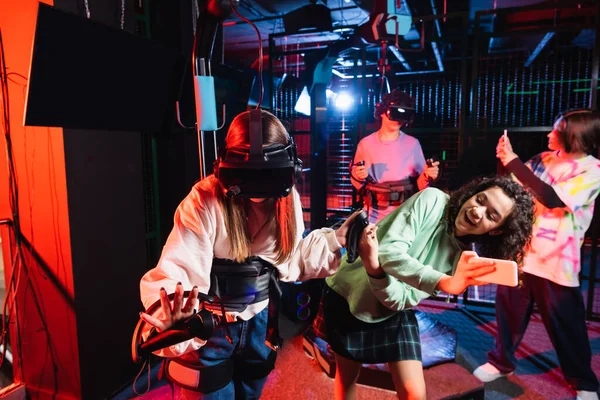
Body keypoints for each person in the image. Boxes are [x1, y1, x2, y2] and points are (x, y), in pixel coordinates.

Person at [138, 109, 361, 399]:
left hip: (259, 326)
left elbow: (290, 259)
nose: (257, 183)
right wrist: (171, 313)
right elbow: (179, 266)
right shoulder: (204, 200)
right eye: (247, 173)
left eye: (268, 173)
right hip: (210, 330)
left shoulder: (286, 197)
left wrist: (336, 240)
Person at [318, 176, 535, 400]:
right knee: (347, 377)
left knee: (415, 393)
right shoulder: (433, 200)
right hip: (350, 293)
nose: (477, 211)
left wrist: (378, 272)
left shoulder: (460, 260)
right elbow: (389, 253)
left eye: (491, 216)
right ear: (472, 193)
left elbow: (399, 300)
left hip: (391, 308)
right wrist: (444, 282)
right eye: (480, 200)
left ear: (496, 231)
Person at [474, 109, 600, 400]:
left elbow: (551, 197)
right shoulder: (544, 158)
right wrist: (505, 161)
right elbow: (512, 185)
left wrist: (514, 161)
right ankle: (501, 363)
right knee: (508, 315)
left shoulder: (592, 170)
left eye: (556, 131)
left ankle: (584, 382)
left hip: (557, 261)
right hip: (522, 253)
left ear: (575, 137)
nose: (549, 134)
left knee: (566, 325)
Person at [350, 89, 440, 223]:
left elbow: (422, 186)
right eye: (394, 112)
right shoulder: (366, 144)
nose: (397, 119)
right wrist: (358, 175)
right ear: (382, 112)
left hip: (404, 216)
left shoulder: (412, 144)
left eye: (403, 114)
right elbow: (357, 183)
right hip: (374, 216)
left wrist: (428, 174)